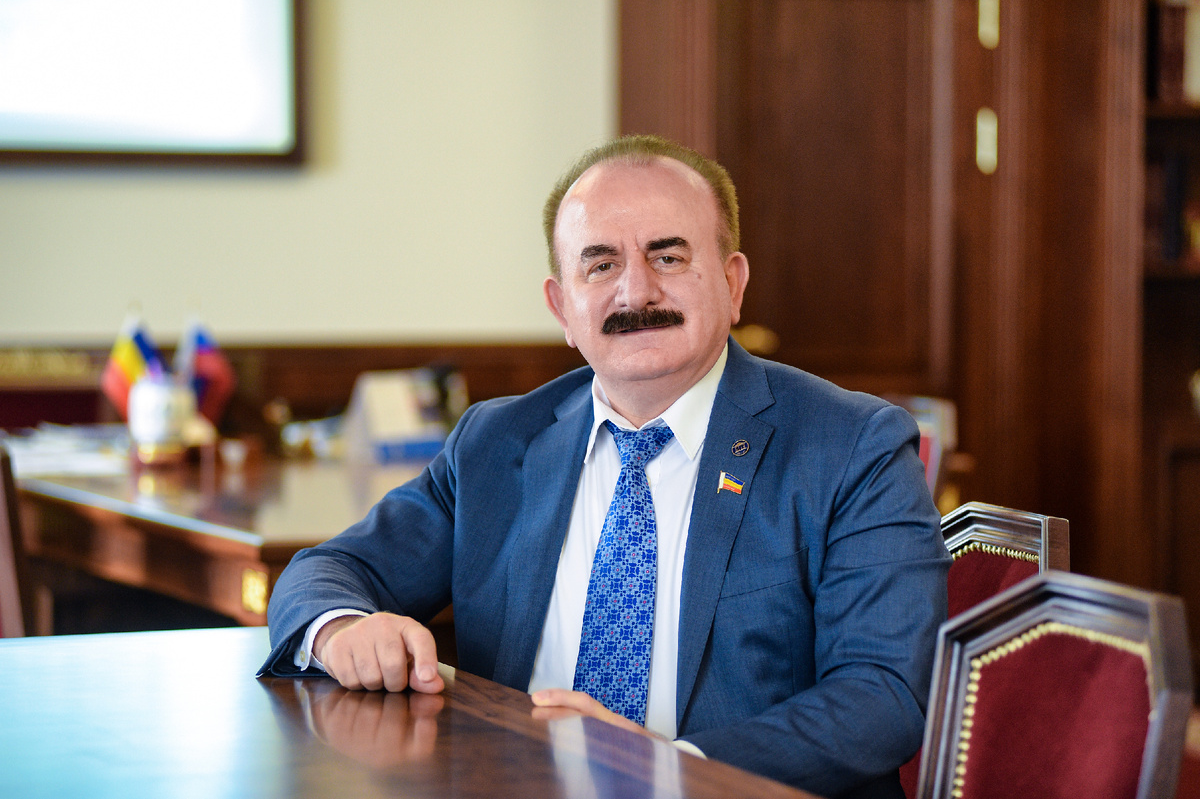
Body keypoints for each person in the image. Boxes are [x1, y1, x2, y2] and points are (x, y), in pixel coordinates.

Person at [260, 134, 950, 798]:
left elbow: (884, 694)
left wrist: (669, 772)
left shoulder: (851, 446)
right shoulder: (496, 442)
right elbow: (327, 572)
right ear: (562, 307)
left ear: (733, 283)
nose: (635, 292)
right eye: (600, 265)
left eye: (668, 257)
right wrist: (342, 630)